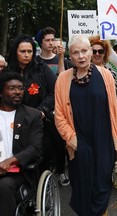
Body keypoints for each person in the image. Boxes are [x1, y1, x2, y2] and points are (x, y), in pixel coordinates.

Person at [54, 35, 117, 216]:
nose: (81, 56)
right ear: (70, 56)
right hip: (79, 142)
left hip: (104, 139)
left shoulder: (106, 75)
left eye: (84, 51)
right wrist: (73, 140)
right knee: (82, 186)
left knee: (102, 184)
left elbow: (114, 111)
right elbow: (59, 115)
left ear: (90, 52)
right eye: (76, 52)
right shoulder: (62, 79)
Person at [4, 34, 57, 174]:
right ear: (15, 51)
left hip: (38, 120)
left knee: (39, 157)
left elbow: (55, 91)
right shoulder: (7, 71)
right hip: (12, 122)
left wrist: (42, 110)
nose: (26, 55)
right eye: (22, 51)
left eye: (30, 51)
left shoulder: (41, 68)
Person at [0, 72, 43, 216]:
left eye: (20, 88)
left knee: (4, 186)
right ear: (1, 92)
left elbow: (35, 148)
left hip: (18, 171)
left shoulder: (32, 116)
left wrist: (10, 161)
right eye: (12, 88)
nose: (17, 92)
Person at [35, 27, 72, 186]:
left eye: (53, 39)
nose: (51, 43)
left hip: (60, 107)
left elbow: (62, 80)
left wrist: (61, 57)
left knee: (59, 142)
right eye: (47, 40)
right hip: (43, 108)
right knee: (45, 144)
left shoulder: (62, 59)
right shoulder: (35, 62)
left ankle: (61, 170)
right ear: (40, 43)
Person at [89, 35, 117, 133]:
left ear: (105, 53)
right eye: (94, 51)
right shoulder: (83, 73)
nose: (97, 54)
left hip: (109, 119)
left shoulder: (112, 73)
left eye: (100, 51)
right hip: (89, 118)